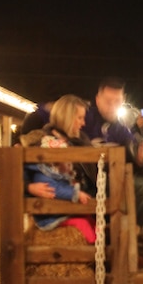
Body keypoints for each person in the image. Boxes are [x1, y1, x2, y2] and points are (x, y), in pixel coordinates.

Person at [21, 77, 143, 230]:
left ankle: (131, 232)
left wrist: (139, 150)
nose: (112, 106)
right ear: (97, 100)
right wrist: (28, 186)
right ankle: (117, 231)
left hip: (96, 179)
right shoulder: (81, 117)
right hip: (87, 185)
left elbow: (132, 144)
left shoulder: (116, 127)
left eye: (117, 102)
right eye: (108, 101)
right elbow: (50, 113)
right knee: (139, 188)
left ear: (123, 100)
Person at [22, 94, 96, 243]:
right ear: (67, 118)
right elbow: (20, 173)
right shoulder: (42, 143)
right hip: (59, 208)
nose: (83, 123)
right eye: (79, 118)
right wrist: (28, 187)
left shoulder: (82, 141)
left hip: (86, 199)